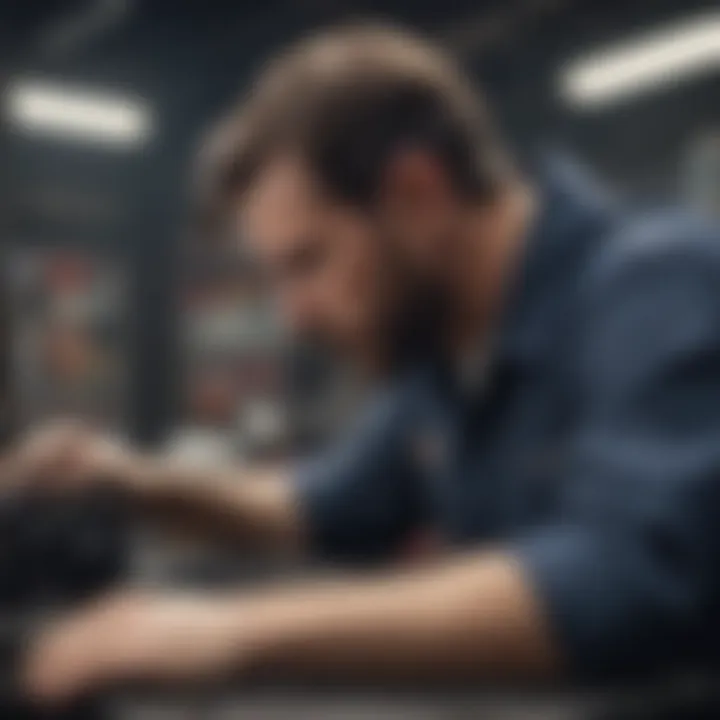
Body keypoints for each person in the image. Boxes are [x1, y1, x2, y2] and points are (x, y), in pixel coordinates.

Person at [9, 23, 720, 706]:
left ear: (415, 193)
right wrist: (125, 479)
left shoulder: (656, 282)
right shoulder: (442, 366)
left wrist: (230, 632)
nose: (294, 316)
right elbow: (317, 505)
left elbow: (629, 574)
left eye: (308, 263)